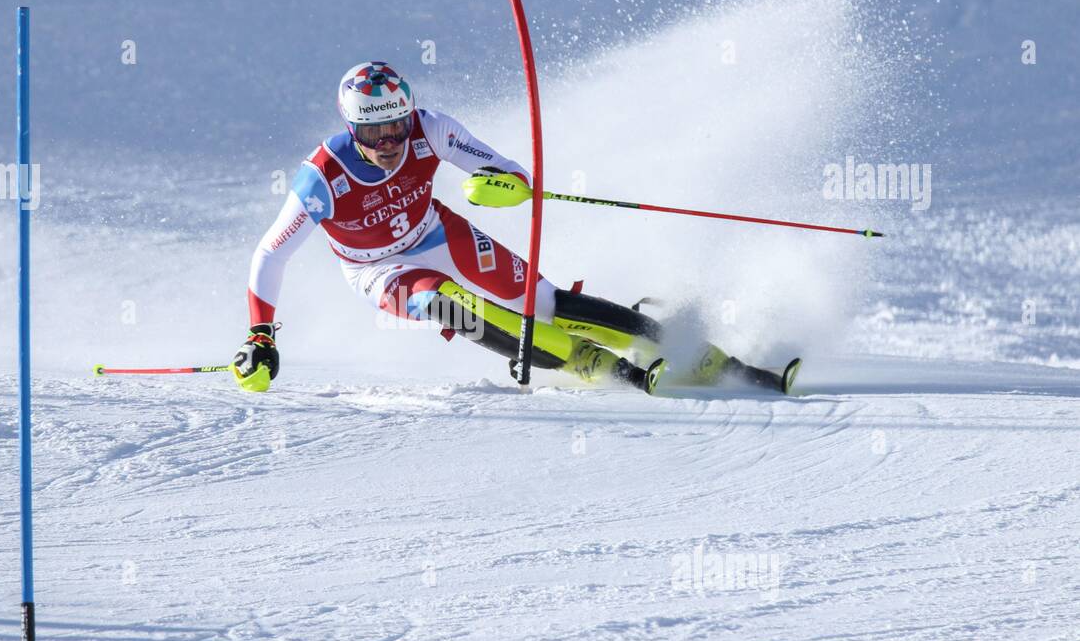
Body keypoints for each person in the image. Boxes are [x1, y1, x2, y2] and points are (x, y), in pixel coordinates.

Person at [231, 61, 796, 395]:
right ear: (351, 128)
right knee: (446, 302)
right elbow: (269, 256)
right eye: (374, 135)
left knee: (543, 302)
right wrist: (261, 337)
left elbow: (508, 172)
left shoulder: (432, 129)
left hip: (436, 232)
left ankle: (697, 352)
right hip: (378, 269)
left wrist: (502, 184)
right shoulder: (321, 179)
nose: (390, 145)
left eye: (397, 127)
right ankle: (587, 361)